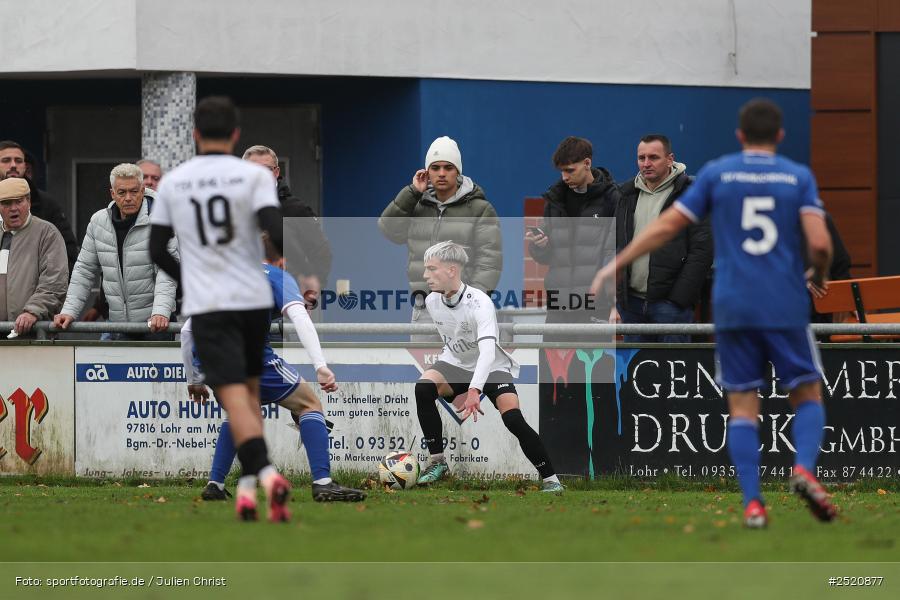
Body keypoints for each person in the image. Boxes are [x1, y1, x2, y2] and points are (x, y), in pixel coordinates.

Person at [591, 98, 836, 528]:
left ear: (740, 135)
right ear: (780, 135)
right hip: (782, 302)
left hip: (734, 304)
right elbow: (819, 243)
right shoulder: (797, 177)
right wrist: (819, 271)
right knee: (806, 393)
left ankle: (753, 505)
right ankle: (803, 469)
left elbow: (668, 226)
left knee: (742, 407)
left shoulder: (719, 173)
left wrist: (615, 264)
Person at [149, 96, 291, 523]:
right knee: (249, 396)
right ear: (235, 134)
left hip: (209, 303)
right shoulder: (254, 176)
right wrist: (282, 263)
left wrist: (191, 278)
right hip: (252, 298)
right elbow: (276, 229)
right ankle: (248, 490)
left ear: (195, 133)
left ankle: (266, 474)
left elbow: (157, 249)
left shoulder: (175, 182)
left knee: (234, 399)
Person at [184, 256, 364, 503]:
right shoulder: (275, 275)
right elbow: (300, 317)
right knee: (309, 404)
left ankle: (215, 484)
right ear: (281, 260)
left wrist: (194, 379)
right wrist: (320, 366)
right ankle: (323, 483)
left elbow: (187, 330)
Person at [414, 241, 563, 491]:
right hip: (455, 363)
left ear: (452, 270)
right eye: (425, 269)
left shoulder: (480, 303)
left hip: (492, 366)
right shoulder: (431, 301)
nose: (425, 275)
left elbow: (486, 352)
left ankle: (551, 480)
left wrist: (474, 389)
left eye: (431, 269)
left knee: (513, 418)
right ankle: (437, 462)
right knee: (423, 388)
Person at [379, 136, 502, 339]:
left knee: (466, 361)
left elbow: (490, 262)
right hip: (425, 308)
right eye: (435, 168)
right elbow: (389, 230)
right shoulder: (416, 204)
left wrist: (472, 301)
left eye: (448, 167)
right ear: (427, 172)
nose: (442, 173)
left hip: (464, 308)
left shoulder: (480, 209)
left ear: (458, 171)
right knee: (424, 361)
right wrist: (412, 192)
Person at [52, 163, 177, 341]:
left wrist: (161, 312)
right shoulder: (98, 222)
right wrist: (69, 311)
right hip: (118, 324)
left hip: (156, 325)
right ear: (112, 194)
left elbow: (166, 271)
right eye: (122, 192)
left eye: (134, 191)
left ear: (142, 191)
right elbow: (84, 270)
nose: (128, 198)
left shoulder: (161, 220)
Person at [611, 134, 713, 342]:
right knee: (636, 364)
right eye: (641, 158)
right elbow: (617, 245)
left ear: (669, 159)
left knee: (673, 363)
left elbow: (702, 251)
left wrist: (679, 298)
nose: (646, 163)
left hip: (671, 307)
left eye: (654, 157)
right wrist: (620, 296)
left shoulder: (690, 194)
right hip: (632, 305)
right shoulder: (625, 194)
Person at [527, 136, 618, 341]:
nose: (565, 177)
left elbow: (615, 253)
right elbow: (545, 256)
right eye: (562, 171)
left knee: (591, 362)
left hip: (595, 305)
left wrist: (614, 302)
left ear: (587, 163)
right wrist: (540, 246)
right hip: (558, 305)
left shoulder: (612, 198)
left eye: (570, 170)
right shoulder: (555, 199)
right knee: (551, 361)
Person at [241, 145, 332, 307]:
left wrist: (310, 295)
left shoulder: (296, 210)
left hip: (287, 301)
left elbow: (321, 252)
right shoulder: (234, 208)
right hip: (242, 300)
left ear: (276, 172)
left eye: (266, 170)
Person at [0, 178, 68, 337]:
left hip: (34, 334)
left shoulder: (47, 233)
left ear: (29, 202)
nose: (13, 208)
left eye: (19, 201)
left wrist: (32, 311)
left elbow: (54, 282)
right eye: (6, 203)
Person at [0, 141, 79, 273]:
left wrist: (46, 283)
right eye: (6, 160)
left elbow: (68, 253)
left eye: (18, 161)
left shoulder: (46, 203)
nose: (13, 165)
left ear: (25, 167)